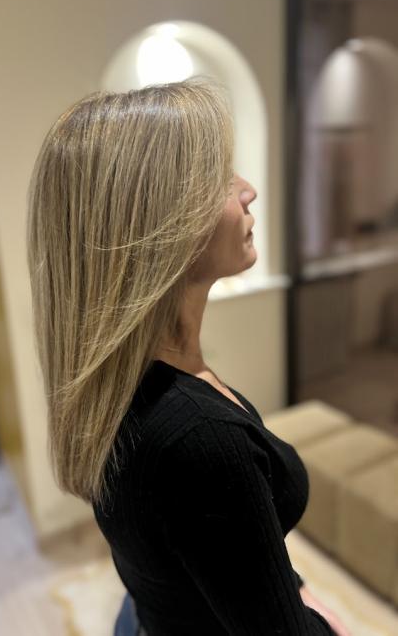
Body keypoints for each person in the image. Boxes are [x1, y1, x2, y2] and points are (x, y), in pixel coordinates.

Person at [26, 77, 351, 634]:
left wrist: (289, 587)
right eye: (221, 177)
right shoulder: (198, 438)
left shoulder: (120, 383)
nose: (248, 190)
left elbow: (207, 551)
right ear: (159, 221)